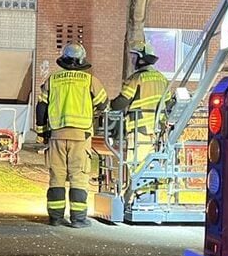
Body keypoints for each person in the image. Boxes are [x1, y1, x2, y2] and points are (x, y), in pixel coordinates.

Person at [34, 42, 107, 228]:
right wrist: (92, 113)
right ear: (82, 59)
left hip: (57, 135)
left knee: (56, 177)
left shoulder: (53, 79)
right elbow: (103, 104)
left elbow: (41, 107)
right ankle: (78, 219)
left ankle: (55, 218)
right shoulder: (89, 80)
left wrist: (43, 134)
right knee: (78, 177)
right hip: (81, 136)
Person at [110, 41, 173, 205]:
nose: (132, 60)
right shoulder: (162, 79)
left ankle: (140, 201)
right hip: (157, 133)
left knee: (136, 166)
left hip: (139, 131)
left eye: (134, 57)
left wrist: (109, 105)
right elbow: (168, 105)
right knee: (151, 166)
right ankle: (148, 200)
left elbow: (120, 103)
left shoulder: (136, 79)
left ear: (142, 58)